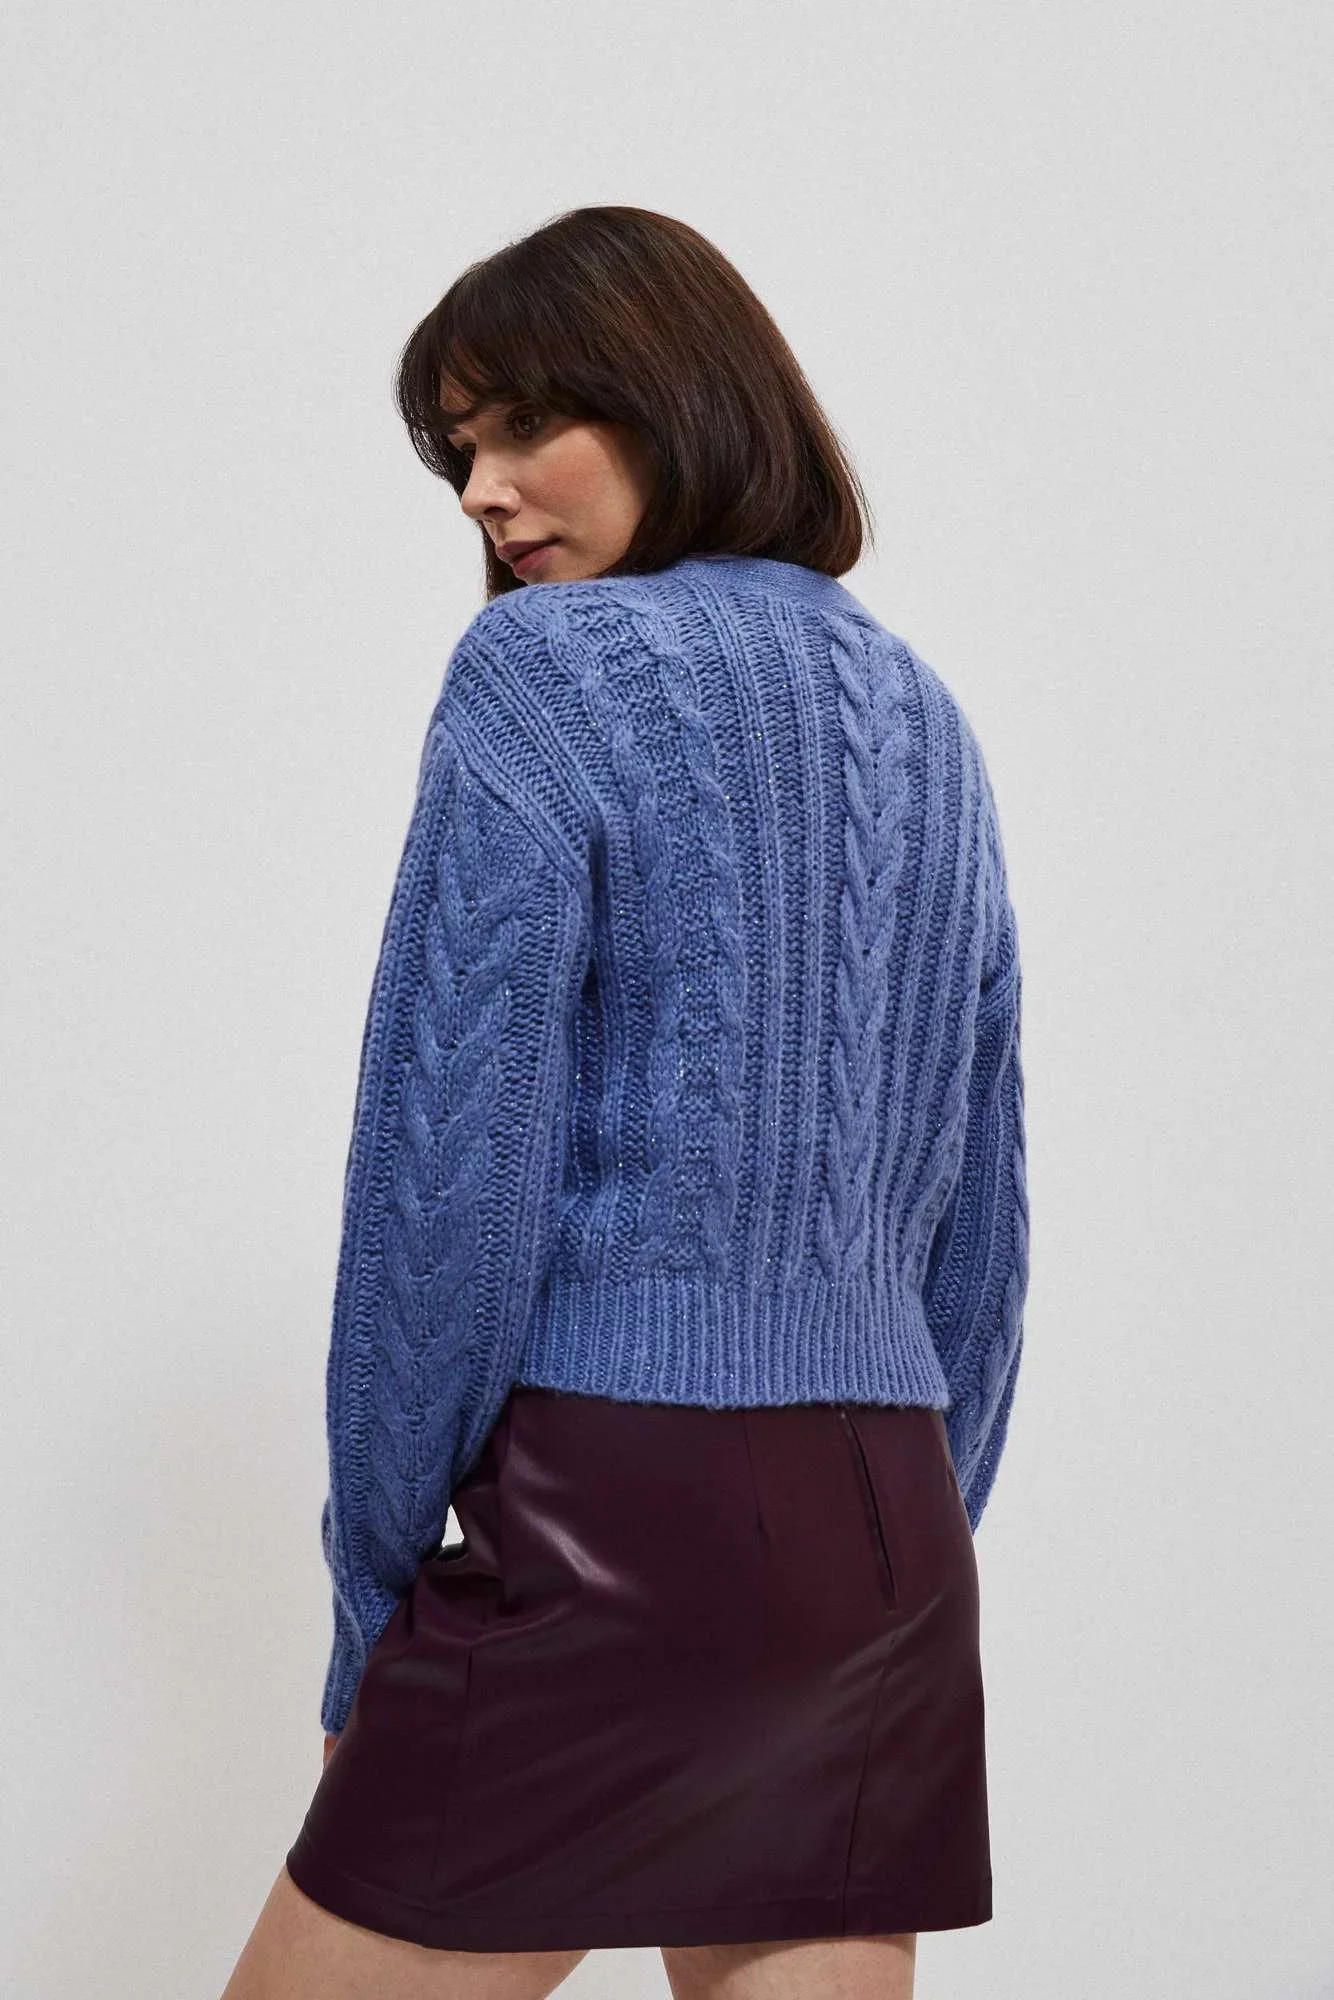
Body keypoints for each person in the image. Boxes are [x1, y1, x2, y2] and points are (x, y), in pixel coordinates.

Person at [221, 204, 1029, 2000]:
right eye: (455, 450)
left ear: (677, 397)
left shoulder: (543, 669)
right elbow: (978, 1218)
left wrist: (374, 1601)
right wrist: (903, 1541)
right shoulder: (920, 708)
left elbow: (447, 1186)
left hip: (622, 1503)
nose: (481, 493)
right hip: (888, 1539)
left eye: (525, 426)